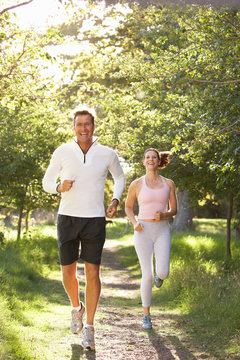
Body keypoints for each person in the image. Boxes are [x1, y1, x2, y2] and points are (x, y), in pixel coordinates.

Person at [43, 109, 125, 350]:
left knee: (92, 274)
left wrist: (115, 200)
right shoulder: (62, 152)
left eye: (87, 124)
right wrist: (59, 187)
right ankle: (77, 308)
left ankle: (89, 327)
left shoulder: (107, 153)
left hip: (94, 220)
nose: (83, 128)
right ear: (74, 127)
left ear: (94, 127)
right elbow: (46, 182)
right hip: (67, 218)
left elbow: (119, 177)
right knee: (68, 273)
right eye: (79, 124)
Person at [125, 148, 177, 330]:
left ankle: (159, 276)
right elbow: (128, 207)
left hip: (162, 230)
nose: (150, 160)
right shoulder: (137, 184)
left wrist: (164, 215)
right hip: (142, 231)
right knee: (146, 275)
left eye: (153, 157)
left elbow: (174, 210)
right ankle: (146, 315)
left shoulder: (168, 183)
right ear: (143, 161)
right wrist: (134, 223)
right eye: (147, 157)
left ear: (158, 160)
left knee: (163, 273)